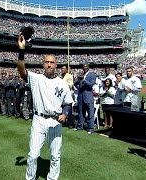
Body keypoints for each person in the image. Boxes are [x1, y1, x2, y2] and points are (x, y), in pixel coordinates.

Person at [17, 34, 73, 180]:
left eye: (52, 62)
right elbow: (22, 71)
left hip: (55, 122)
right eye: (46, 62)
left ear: (56, 65)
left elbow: (68, 103)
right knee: (33, 155)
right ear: (43, 64)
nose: (49, 64)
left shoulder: (62, 83)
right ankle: (30, 178)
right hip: (39, 120)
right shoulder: (36, 79)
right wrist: (21, 50)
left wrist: (65, 114)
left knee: (55, 156)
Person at [74, 64, 96, 134]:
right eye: (83, 67)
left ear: (88, 67)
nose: (84, 68)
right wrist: (78, 84)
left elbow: (91, 84)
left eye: (86, 67)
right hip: (80, 96)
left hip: (88, 96)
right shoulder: (81, 74)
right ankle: (80, 126)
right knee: (80, 113)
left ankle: (90, 128)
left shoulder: (92, 74)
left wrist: (83, 80)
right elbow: (75, 84)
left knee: (90, 113)